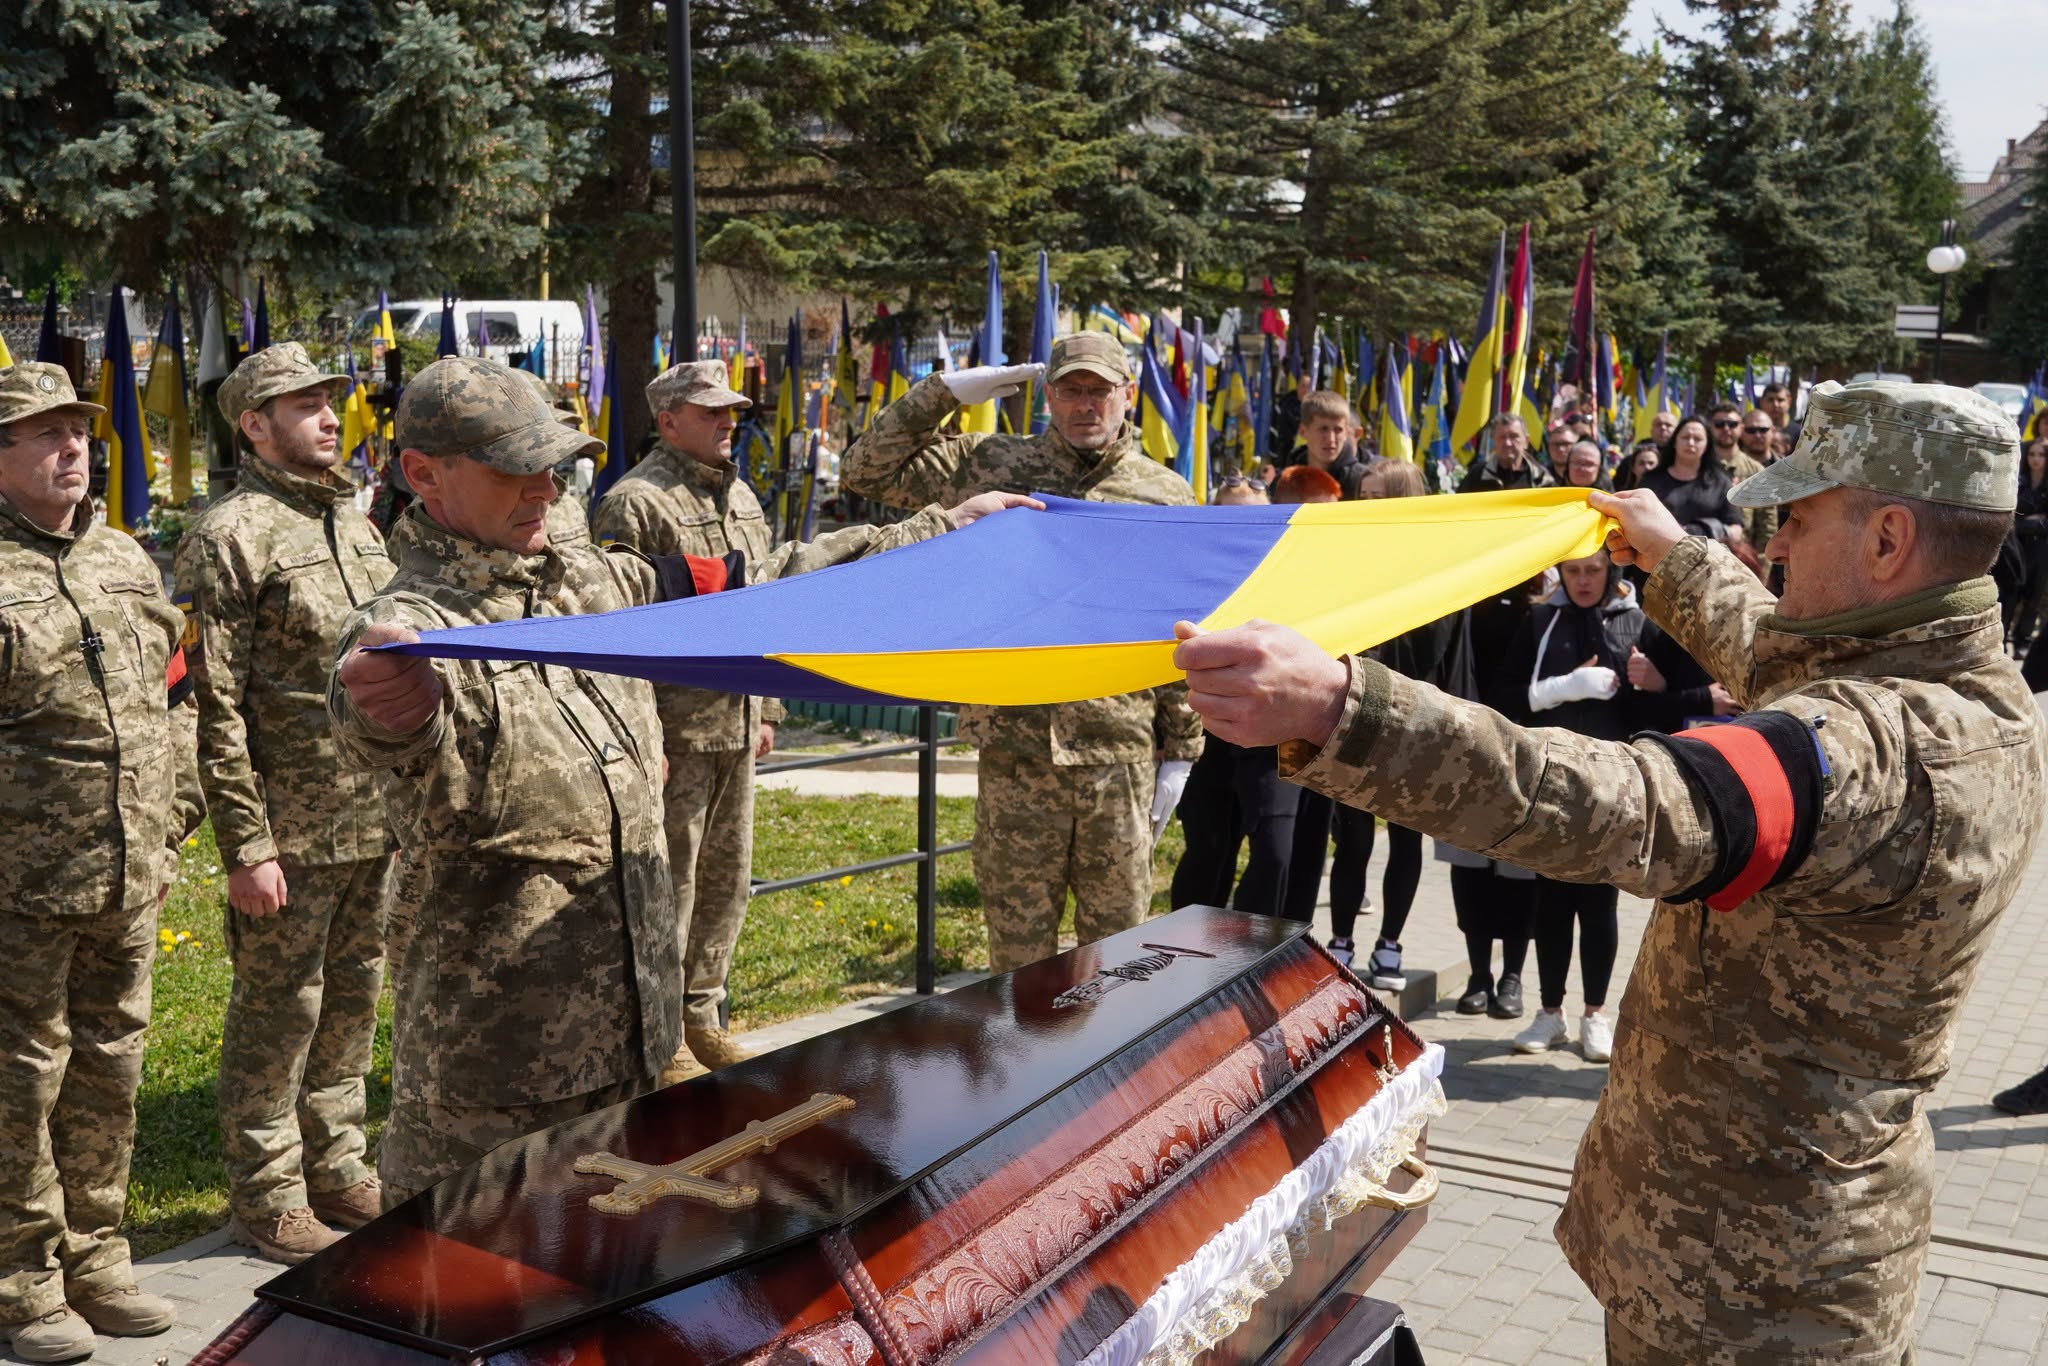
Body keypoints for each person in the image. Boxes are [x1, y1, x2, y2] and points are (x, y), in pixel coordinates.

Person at [1173, 380, 2039, 1364]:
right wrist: (1667, 553)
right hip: (1747, 1252)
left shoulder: (1876, 755)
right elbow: (1782, 656)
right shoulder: (1949, 681)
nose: (1776, 544)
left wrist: (1343, 709)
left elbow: (1625, 802)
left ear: (1885, 541)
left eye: (1795, 518)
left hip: (1748, 1302)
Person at [328, 357, 1029, 1202]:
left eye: (553, 466)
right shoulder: (412, 633)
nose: (544, 490)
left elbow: (756, 585)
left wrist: (940, 530)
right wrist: (389, 707)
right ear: (423, 475)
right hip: (497, 1082)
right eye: (515, 469)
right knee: (473, 1303)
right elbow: (379, 719)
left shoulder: (593, 582)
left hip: (637, 1046)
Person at [592, 359, 957, 1078]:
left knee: (728, 882)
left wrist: (769, 708)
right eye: (713, 412)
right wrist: (642, 734)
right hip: (676, 732)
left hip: (735, 722)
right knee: (671, 886)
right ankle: (660, 1039)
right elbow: (619, 632)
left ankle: (702, 1016)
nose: (731, 422)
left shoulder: (744, 501)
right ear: (669, 422)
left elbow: (767, 608)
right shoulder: (636, 503)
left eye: (734, 410)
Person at [841, 334, 1204, 972]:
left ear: (1128, 395)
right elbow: (866, 469)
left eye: (1100, 390)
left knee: (1118, 958)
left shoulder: (1165, 494)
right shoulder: (991, 463)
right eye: (1070, 389)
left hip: (1116, 754)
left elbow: (1178, 625)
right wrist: (943, 393)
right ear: (1048, 396)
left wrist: (1183, 748)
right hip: (1015, 748)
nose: (1085, 405)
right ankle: (1023, 1070)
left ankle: (1108, 1072)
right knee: (1017, 958)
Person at [172, 345, 394, 1264]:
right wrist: (245, 844)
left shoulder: (355, 522)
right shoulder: (228, 534)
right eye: (303, 404)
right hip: (290, 832)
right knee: (278, 1014)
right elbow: (209, 706)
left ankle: (338, 1165)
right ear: (253, 424)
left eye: (329, 400)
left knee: (353, 1001)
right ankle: (268, 1192)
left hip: (376, 814)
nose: (327, 415)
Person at [0, 363, 204, 1361]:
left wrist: (173, 821)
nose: (72, 448)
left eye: (78, 431)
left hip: (128, 876)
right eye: (42, 434)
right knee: (18, 1080)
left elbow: (177, 697)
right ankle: (22, 1279)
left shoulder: (126, 559)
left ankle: (97, 1251)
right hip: (18, 891)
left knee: (110, 1068)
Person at [1493, 550, 1644, 1063]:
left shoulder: (1636, 623)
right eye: (1574, 571)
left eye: (1594, 571)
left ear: (1611, 573)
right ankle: (1550, 1012)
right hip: (1552, 784)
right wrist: (1560, 688)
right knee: (1552, 903)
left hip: (1612, 785)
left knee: (1599, 906)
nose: (1583, 582)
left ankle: (1595, 1015)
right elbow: (1504, 696)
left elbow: (1656, 708)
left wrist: (1647, 686)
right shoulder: (1540, 619)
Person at [1340, 462, 1451, 986]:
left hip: (1411, 718)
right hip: (1353, 710)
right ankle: (1339, 941)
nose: (1364, 504)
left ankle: (1390, 945)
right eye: (1360, 494)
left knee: (1404, 839)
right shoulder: (1349, 558)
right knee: (1353, 838)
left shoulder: (1434, 566)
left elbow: (1437, 647)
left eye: (1376, 495)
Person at [1642, 414, 1743, 545]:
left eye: (1697, 439)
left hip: (1707, 558)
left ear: (1707, 445)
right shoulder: (1651, 480)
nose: (1690, 443)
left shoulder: (1721, 483)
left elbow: (1736, 530)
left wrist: (1709, 532)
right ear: (1675, 442)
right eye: (1685, 437)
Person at [1707, 401, 1774, 549]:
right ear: (1710, 427)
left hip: (1744, 557)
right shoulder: (1699, 467)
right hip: (1703, 553)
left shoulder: (1756, 470)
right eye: (1719, 424)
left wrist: (1761, 567)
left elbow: (1767, 524)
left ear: (1741, 428)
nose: (1726, 429)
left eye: (1732, 424)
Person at [1459, 413, 1556, 493]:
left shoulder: (1541, 478)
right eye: (1502, 437)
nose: (1507, 443)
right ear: (1493, 442)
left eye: (1514, 436)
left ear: (1526, 441)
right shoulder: (1477, 476)